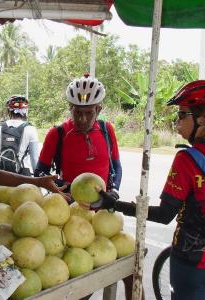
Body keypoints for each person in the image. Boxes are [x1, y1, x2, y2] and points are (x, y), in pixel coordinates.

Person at [95, 80, 205, 300]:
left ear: (202, 119)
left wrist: (112, 204)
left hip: (194, 265)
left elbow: (164, 215)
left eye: (182, 115)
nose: (176, 122)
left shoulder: (187, 159)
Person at [34, 74, 137, 299]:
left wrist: (114, 192)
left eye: (88, 112)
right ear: (70, 108)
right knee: (80, 279)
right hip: (70, 212)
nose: (82, 118)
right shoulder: (57, 134)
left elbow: (116, 167)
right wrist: (68, 189)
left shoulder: (107, 130)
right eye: (77, 112)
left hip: (104, 210)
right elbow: (40, 172)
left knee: (128, 266)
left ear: (98, 109)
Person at [0, 95, 39, 176]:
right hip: (22, 178)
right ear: (25, 110)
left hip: (0, 176)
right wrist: (38, 179)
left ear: (9, 110)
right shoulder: (30, 129)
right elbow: (34, 159)